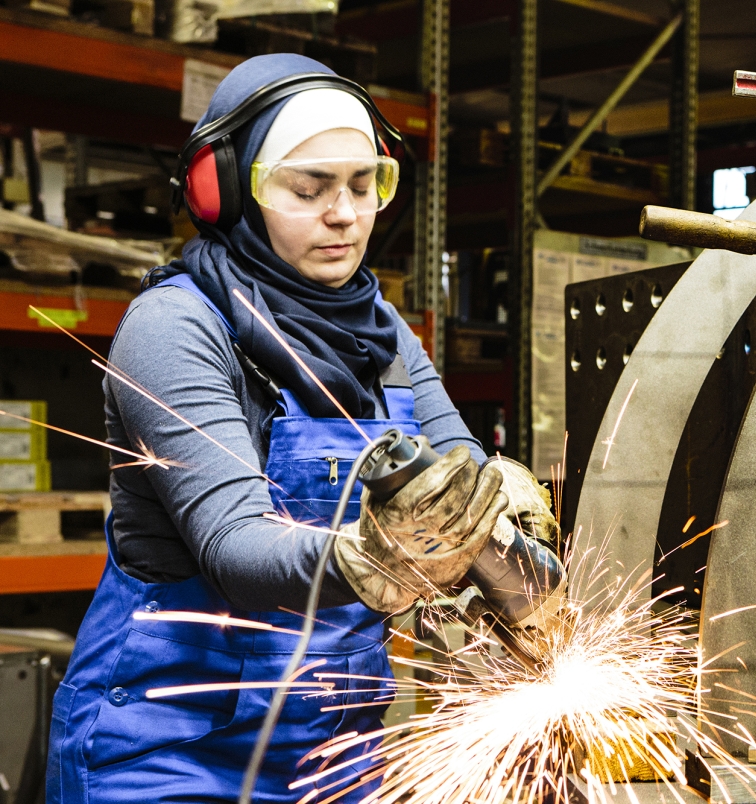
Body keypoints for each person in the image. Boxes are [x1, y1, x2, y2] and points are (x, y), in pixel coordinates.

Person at [46, 54, 557, 803]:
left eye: (363, 184)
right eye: (309, 188)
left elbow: (462, 474)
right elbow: (235, 545)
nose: (345, 214)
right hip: (169, 755)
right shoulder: (176, 327)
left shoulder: (381, 333)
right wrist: (370, 559)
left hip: (335, 755)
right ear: (225, 189)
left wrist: (507, 524)